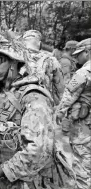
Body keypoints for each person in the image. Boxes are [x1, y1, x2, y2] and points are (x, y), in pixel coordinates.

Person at [0, 34, 76, 188]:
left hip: (31, 181)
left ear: (14, 62)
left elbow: (38, 151)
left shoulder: (33, 97)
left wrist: (1, 171)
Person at [56, 38, 91, 189]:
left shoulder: (84, 72)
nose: (76, 57)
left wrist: (59, 113)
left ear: (88, 52)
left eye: (79, 54)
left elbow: (68, 97)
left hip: (83, 127)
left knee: (82, 165)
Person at [22, 30, 65, 105]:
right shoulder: (51, 60)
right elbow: (60, 89)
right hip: (43, 103)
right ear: (40, 44)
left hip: (16, 102)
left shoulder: (15, 58)